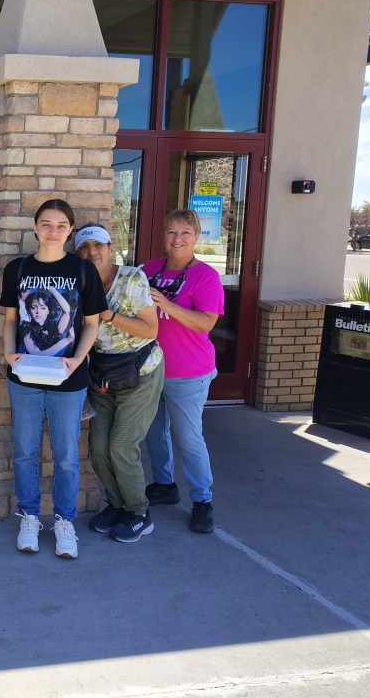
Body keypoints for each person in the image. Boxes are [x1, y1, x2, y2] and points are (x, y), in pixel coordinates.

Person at [0, 199, 106, 559]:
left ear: (70, 230)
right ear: (35, 227)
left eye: (61, 225)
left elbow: (91, 323)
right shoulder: (18, 269)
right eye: (46, 223)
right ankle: (29, 517)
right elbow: (12, 319)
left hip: (68, 379)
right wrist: (7, 352)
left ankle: (64, 522)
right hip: (24, 378)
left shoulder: (83, 271)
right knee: (25, 452)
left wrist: (77, 360)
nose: (53, 230)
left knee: (65, 457)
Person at [74, 223, 164, 543]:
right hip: (103, 377)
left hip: (140, 373)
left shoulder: (131, 279)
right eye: (84, 248)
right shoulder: (80, 283)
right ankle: (117, 505)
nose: (91, 252)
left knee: (121, 447)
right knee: (98, 448)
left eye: (98, 245)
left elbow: (150, 330)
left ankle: (140, 512)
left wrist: (107, 315)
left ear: (111, 248)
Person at [141, 209, 224, 534]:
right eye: (172, 232)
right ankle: (164, 484)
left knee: (188, 437)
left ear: (197, 236)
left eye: (185, 233)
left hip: (188, 372)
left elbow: (205, 322)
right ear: (164, 235)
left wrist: (167, 305)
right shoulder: (149, 269)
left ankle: (203, 500)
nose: (178, 239)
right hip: (150, 368)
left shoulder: (205, 276)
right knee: (153, 431)